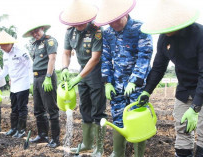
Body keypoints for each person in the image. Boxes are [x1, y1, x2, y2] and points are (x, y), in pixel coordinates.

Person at [137, 0, 203, 156]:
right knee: (182, 129)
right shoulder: (164, 38)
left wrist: (195, 107)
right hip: (184, 90)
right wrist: (147, 91)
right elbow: (159, 68)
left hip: (202, 88)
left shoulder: (199, 35)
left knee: (202, 132)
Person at [94, 0, 153, 156]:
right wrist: (107, 82)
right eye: (110, 22)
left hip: (137, 86)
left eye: (116, 20)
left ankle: (138, 154)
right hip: (117, 85)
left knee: (138, 118)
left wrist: (134, 81)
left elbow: (144, 56)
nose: (113, 24)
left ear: (125, 14)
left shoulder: (140, 28)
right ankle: (118, 152)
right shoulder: (107, 34)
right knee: (118, 118)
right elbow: (106, 59)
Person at [59, 0, 107, 156]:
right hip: (82, 71)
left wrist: (78, 77)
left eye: (81, 22)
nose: (78, 25)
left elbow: (95, 58)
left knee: (97, 110)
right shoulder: (69, 32)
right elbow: (66, 53)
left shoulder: (96, 30)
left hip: (96, 72)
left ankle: (99, 147)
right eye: (75, 22)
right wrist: (65, 68)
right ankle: (87, 143)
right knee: (84, 107)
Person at [0, 31, 33, 138]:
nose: (1, 47)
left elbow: (30, 66)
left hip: (23, 83)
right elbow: (5, 70)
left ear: (9, 43)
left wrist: (32, 82)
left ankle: (21, 130)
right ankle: (13, 129)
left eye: (2, 45)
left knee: (22, 108)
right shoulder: (5, 54)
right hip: (13, 84)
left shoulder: (21, 51)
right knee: (14, 108)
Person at [22, 24, 60, 148]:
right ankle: (42, 135)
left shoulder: (50, 41)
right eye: (32, 33)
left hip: (46, 77)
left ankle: (55, 139)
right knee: (38, 109)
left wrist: (48, 77)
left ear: (42, 29)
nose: (35, 34)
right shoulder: (35, 44)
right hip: (37, 78)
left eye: (36, 31)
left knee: (51, 109)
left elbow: (52, 59)